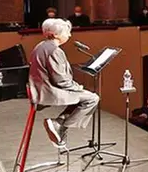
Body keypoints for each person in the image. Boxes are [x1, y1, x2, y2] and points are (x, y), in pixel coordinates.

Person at [29, 19, 100, 147]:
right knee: (92, 98)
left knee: (82, 97)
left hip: (40, 89)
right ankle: (60, 126)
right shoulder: (54, 50)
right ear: (56, 34)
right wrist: (78, 87)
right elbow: (61, 80)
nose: (70, 35)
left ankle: (60, 123)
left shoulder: (40, 46)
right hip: (49, 91)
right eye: (67, 32)